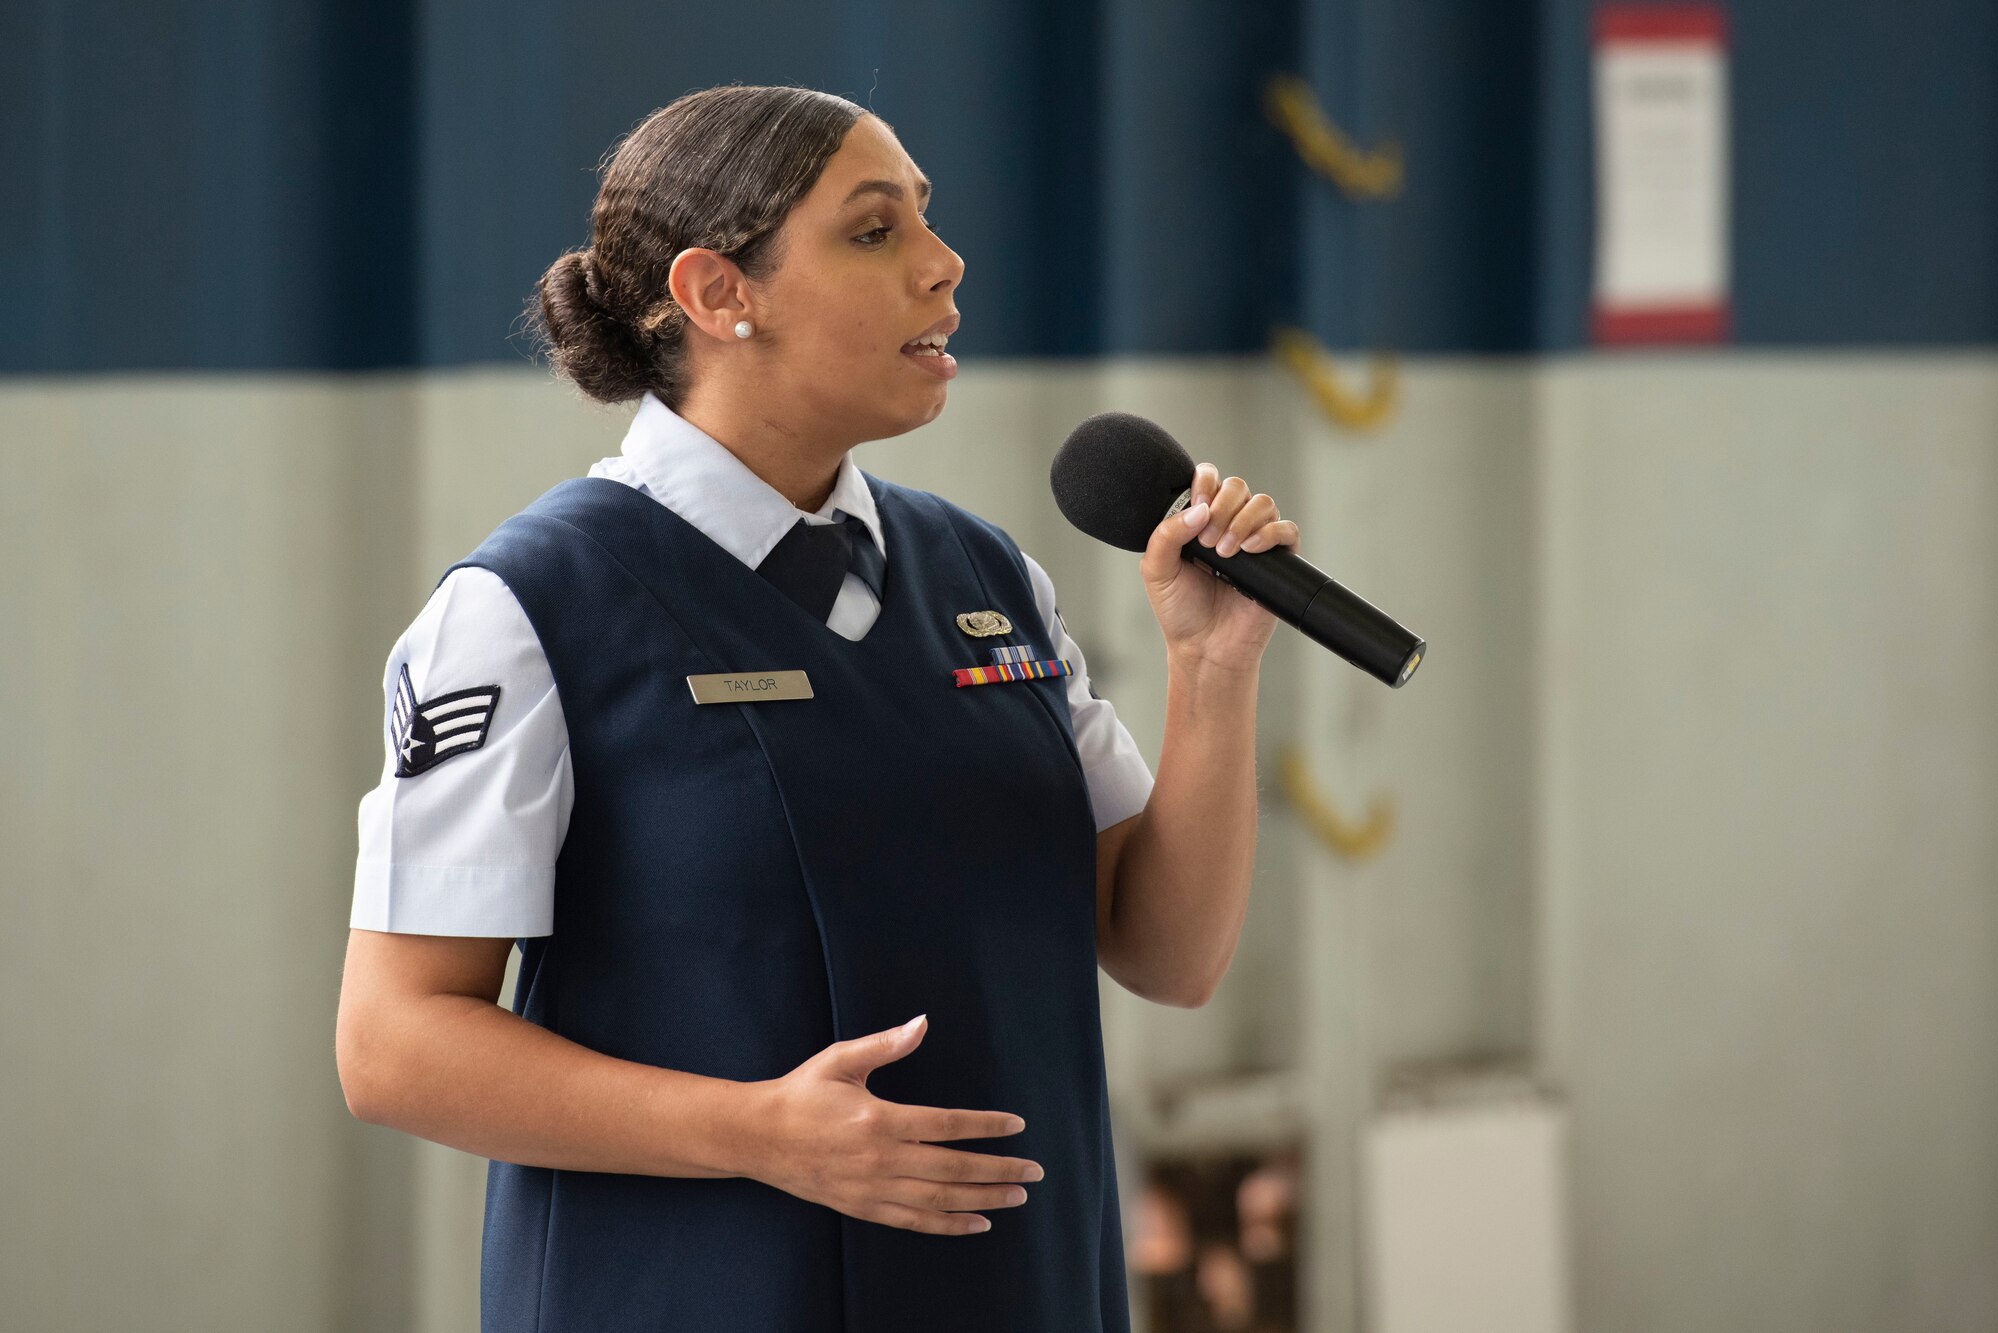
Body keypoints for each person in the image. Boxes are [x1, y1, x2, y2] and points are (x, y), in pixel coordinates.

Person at [334, 83, 1299, 1333]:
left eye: (928, 222)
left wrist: (1210, 672)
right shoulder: (529, 609)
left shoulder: (987, 577)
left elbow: (1167, 952)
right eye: (873, 230)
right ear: (717, 294)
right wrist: (759, 1132)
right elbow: (394, 1045)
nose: (944, 266)